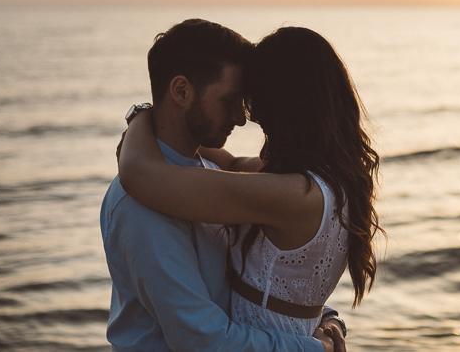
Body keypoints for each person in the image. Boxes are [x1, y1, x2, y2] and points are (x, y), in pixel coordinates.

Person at [118, 26, 383, 338]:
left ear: (283, 104)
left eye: (251, 102)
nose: (246, 117)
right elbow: (229, 163)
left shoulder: (291, 195)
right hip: (295, 334)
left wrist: (140, 114)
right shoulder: (334, 175)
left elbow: (140, 174)